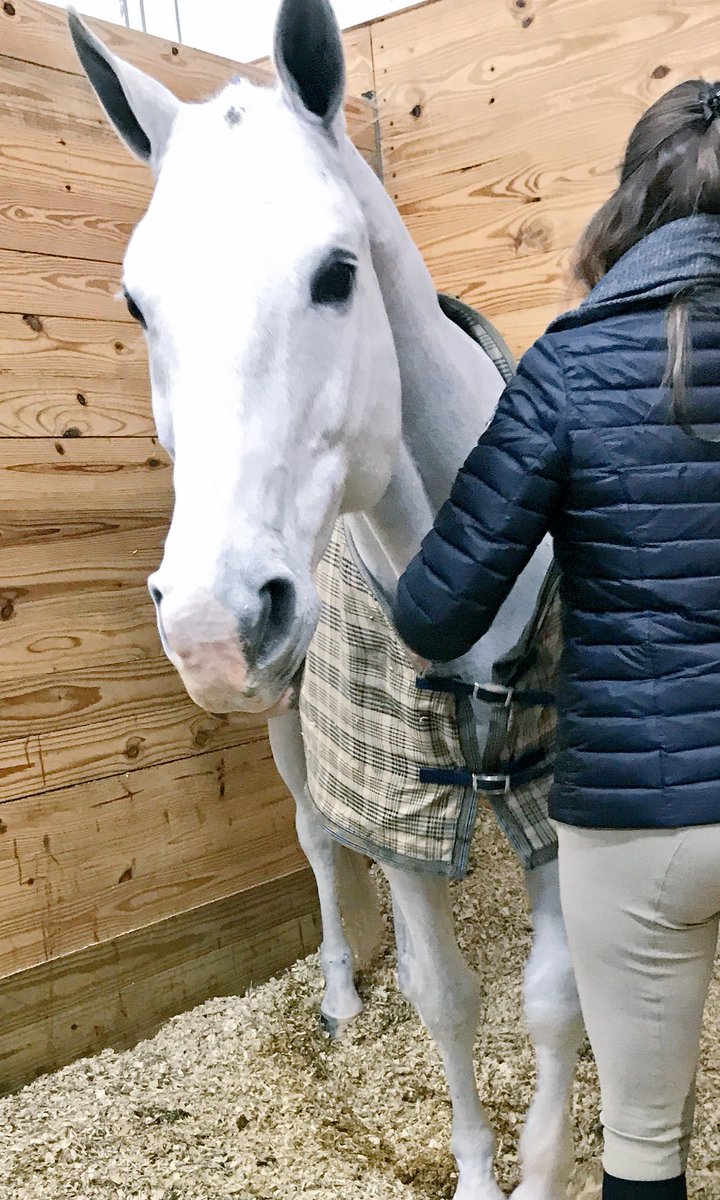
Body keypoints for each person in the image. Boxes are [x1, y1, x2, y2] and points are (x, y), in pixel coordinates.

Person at [392, 79, 720, 1200]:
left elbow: (435, 611)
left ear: (628, 202)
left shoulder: (566, 367)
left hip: (642, 820)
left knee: (643, 1145)